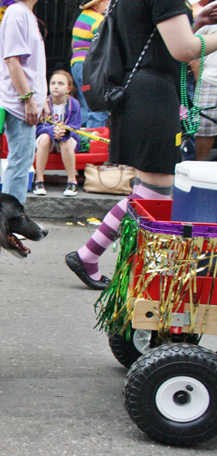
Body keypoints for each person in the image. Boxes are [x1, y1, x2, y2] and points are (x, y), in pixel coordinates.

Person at [66, 0, 217, 290]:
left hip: (137, 94)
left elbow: (150, 37)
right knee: (155, 195)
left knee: (148, 192)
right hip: (152, 97)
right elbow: (183, 49)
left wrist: (196, 22)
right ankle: (107, 262)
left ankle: (97, 258)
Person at [0, 0, 47, 205]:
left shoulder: (26, 14)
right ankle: (8, 219)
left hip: (25, 103)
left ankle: (10, 217)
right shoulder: (17, 12)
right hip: (19, 104)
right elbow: (12, 61)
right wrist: (28, 99)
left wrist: (41, 100)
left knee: (21, 163)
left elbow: (32, 66)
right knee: (19, 163)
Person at [33, 70, 81, 197]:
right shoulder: (43, 103)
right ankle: (39, 180)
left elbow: (75, 127)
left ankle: (72, 181)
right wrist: (52, 130)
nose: (55, 86)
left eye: (61, 83)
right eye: (53, 83)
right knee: (44, 138)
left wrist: (64, 131)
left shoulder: (74, 104)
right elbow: (38, 128)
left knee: (65, 140)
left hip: (66, 141)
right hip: (46, 140)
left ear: (69, 88)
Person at [70, 0, 109, 129]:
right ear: (97, 3)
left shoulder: (82, 17)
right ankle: (94, 138)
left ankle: (83, 138)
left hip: (77, 64)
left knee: (85, 106)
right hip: (90, 67)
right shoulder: (98, 19)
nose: (109, 3)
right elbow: (108, 42)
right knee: (97, 107)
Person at [194, 23, 217, 160]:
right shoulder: (210, 17)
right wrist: (199, 77)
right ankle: (200, 165)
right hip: (209, 81)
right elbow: (191, 49)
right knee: (204, 129)